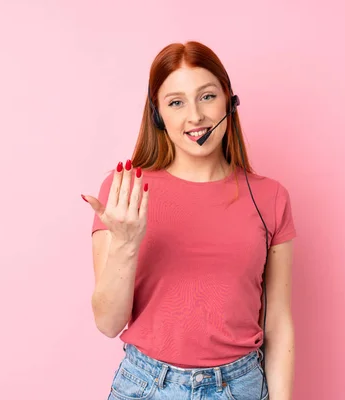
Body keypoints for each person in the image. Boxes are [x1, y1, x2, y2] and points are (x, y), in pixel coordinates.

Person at [81, 41, 297, 400]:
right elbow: (107, 323)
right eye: (176, 102)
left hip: (239, 386)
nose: (195, 116)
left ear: (229, 101)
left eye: (207, 96)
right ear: (158, 116)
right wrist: (126, 243)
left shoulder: (271, 197)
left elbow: (278, 322)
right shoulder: (124, 191)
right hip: (145, 385)